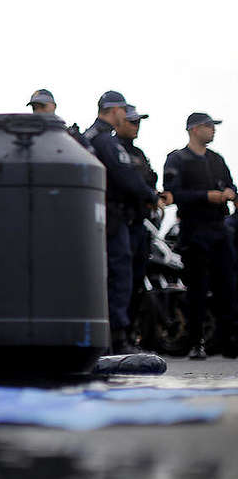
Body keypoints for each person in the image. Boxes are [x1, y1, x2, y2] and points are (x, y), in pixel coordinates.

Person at [81, 91, 163, 355]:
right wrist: (151, 196)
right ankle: (117, 340)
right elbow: (125, 176)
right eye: (123, 112)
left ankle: (112, 338)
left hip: (104, 216)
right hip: (113, 217)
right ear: (114, 111)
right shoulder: (105, 140)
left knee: (114, 278)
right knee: (119, 278)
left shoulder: (91, 137)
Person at [163, 112, 238, 359]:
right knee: (197, 289)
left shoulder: (217, 159)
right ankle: (196, 342)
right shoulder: (178, 159)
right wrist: (205, 196)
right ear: (194, 129)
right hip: (194, 231)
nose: (213, 131)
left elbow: (230, 185)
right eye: (208, 126)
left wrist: (228, 192)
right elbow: (173, 193)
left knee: (227, 286)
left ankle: (226, 341)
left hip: (219, 229)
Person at [116, 105, 158, 335]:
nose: (136, 126)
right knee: (121, 282)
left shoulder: (139, 154)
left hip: (141, 226)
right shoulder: (112, 149)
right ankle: (119, 335)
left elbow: (149, 182)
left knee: (136, 282)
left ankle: (131, 333)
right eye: (132, 122)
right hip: (122, 224)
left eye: (138, 122)